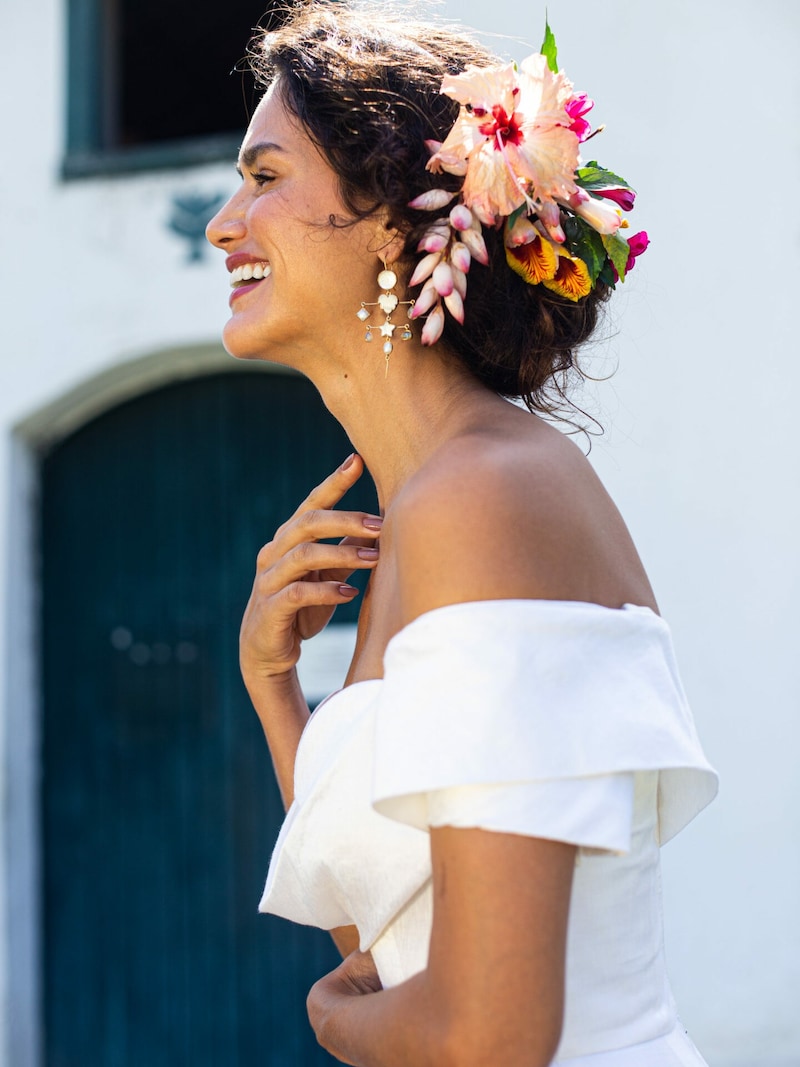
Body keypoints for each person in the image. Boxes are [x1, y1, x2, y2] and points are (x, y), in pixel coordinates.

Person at [205, 2, 718, 1063]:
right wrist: (271, 683)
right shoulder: (422, 516)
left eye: (263, 178)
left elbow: (485, 1030)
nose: (224, 223)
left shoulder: (482, 500)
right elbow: (386, 924)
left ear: (394, 220)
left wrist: (329, 1022)